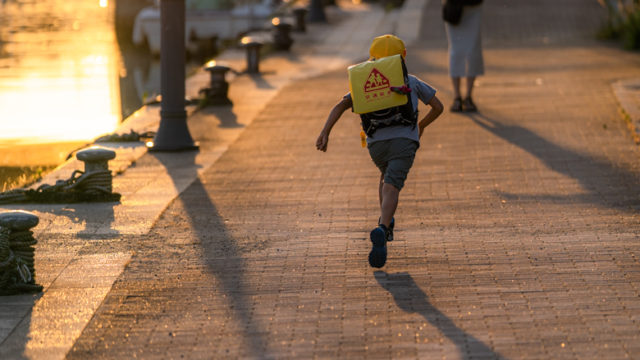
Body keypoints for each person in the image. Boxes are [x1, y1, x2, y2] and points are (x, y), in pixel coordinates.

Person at [315, 34, 443, 268]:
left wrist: (325, 132)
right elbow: (438, 107)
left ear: (372, 58)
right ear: (403, 57)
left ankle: (386, 220)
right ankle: (383, 228)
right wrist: (421, 126)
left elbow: (341, 105)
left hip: (376, 146)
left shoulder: (363, 83)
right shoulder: (411, 81)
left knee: (385, 177)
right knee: (392, 185)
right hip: (404, 142)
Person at [444, 0, 484, 112]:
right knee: (472, 49)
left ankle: (457, 97)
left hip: (453, 6)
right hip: (473, 6)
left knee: (456, 50)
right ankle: (468, 97)